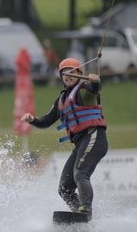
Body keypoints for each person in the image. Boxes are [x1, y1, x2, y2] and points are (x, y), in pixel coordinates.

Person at [21, 58, 108, 220]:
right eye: (64, 73)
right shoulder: (61, 100)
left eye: (71, 72)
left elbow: (94, 88)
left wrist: (95, 82)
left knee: (81, 174)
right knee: (64, 188)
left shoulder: (84, 90)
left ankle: (85, 211)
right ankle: (78, 214)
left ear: (79, 74)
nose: (67, 76)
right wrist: (32, 119)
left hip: (94, 136)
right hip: (81, 142)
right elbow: (46, 121)